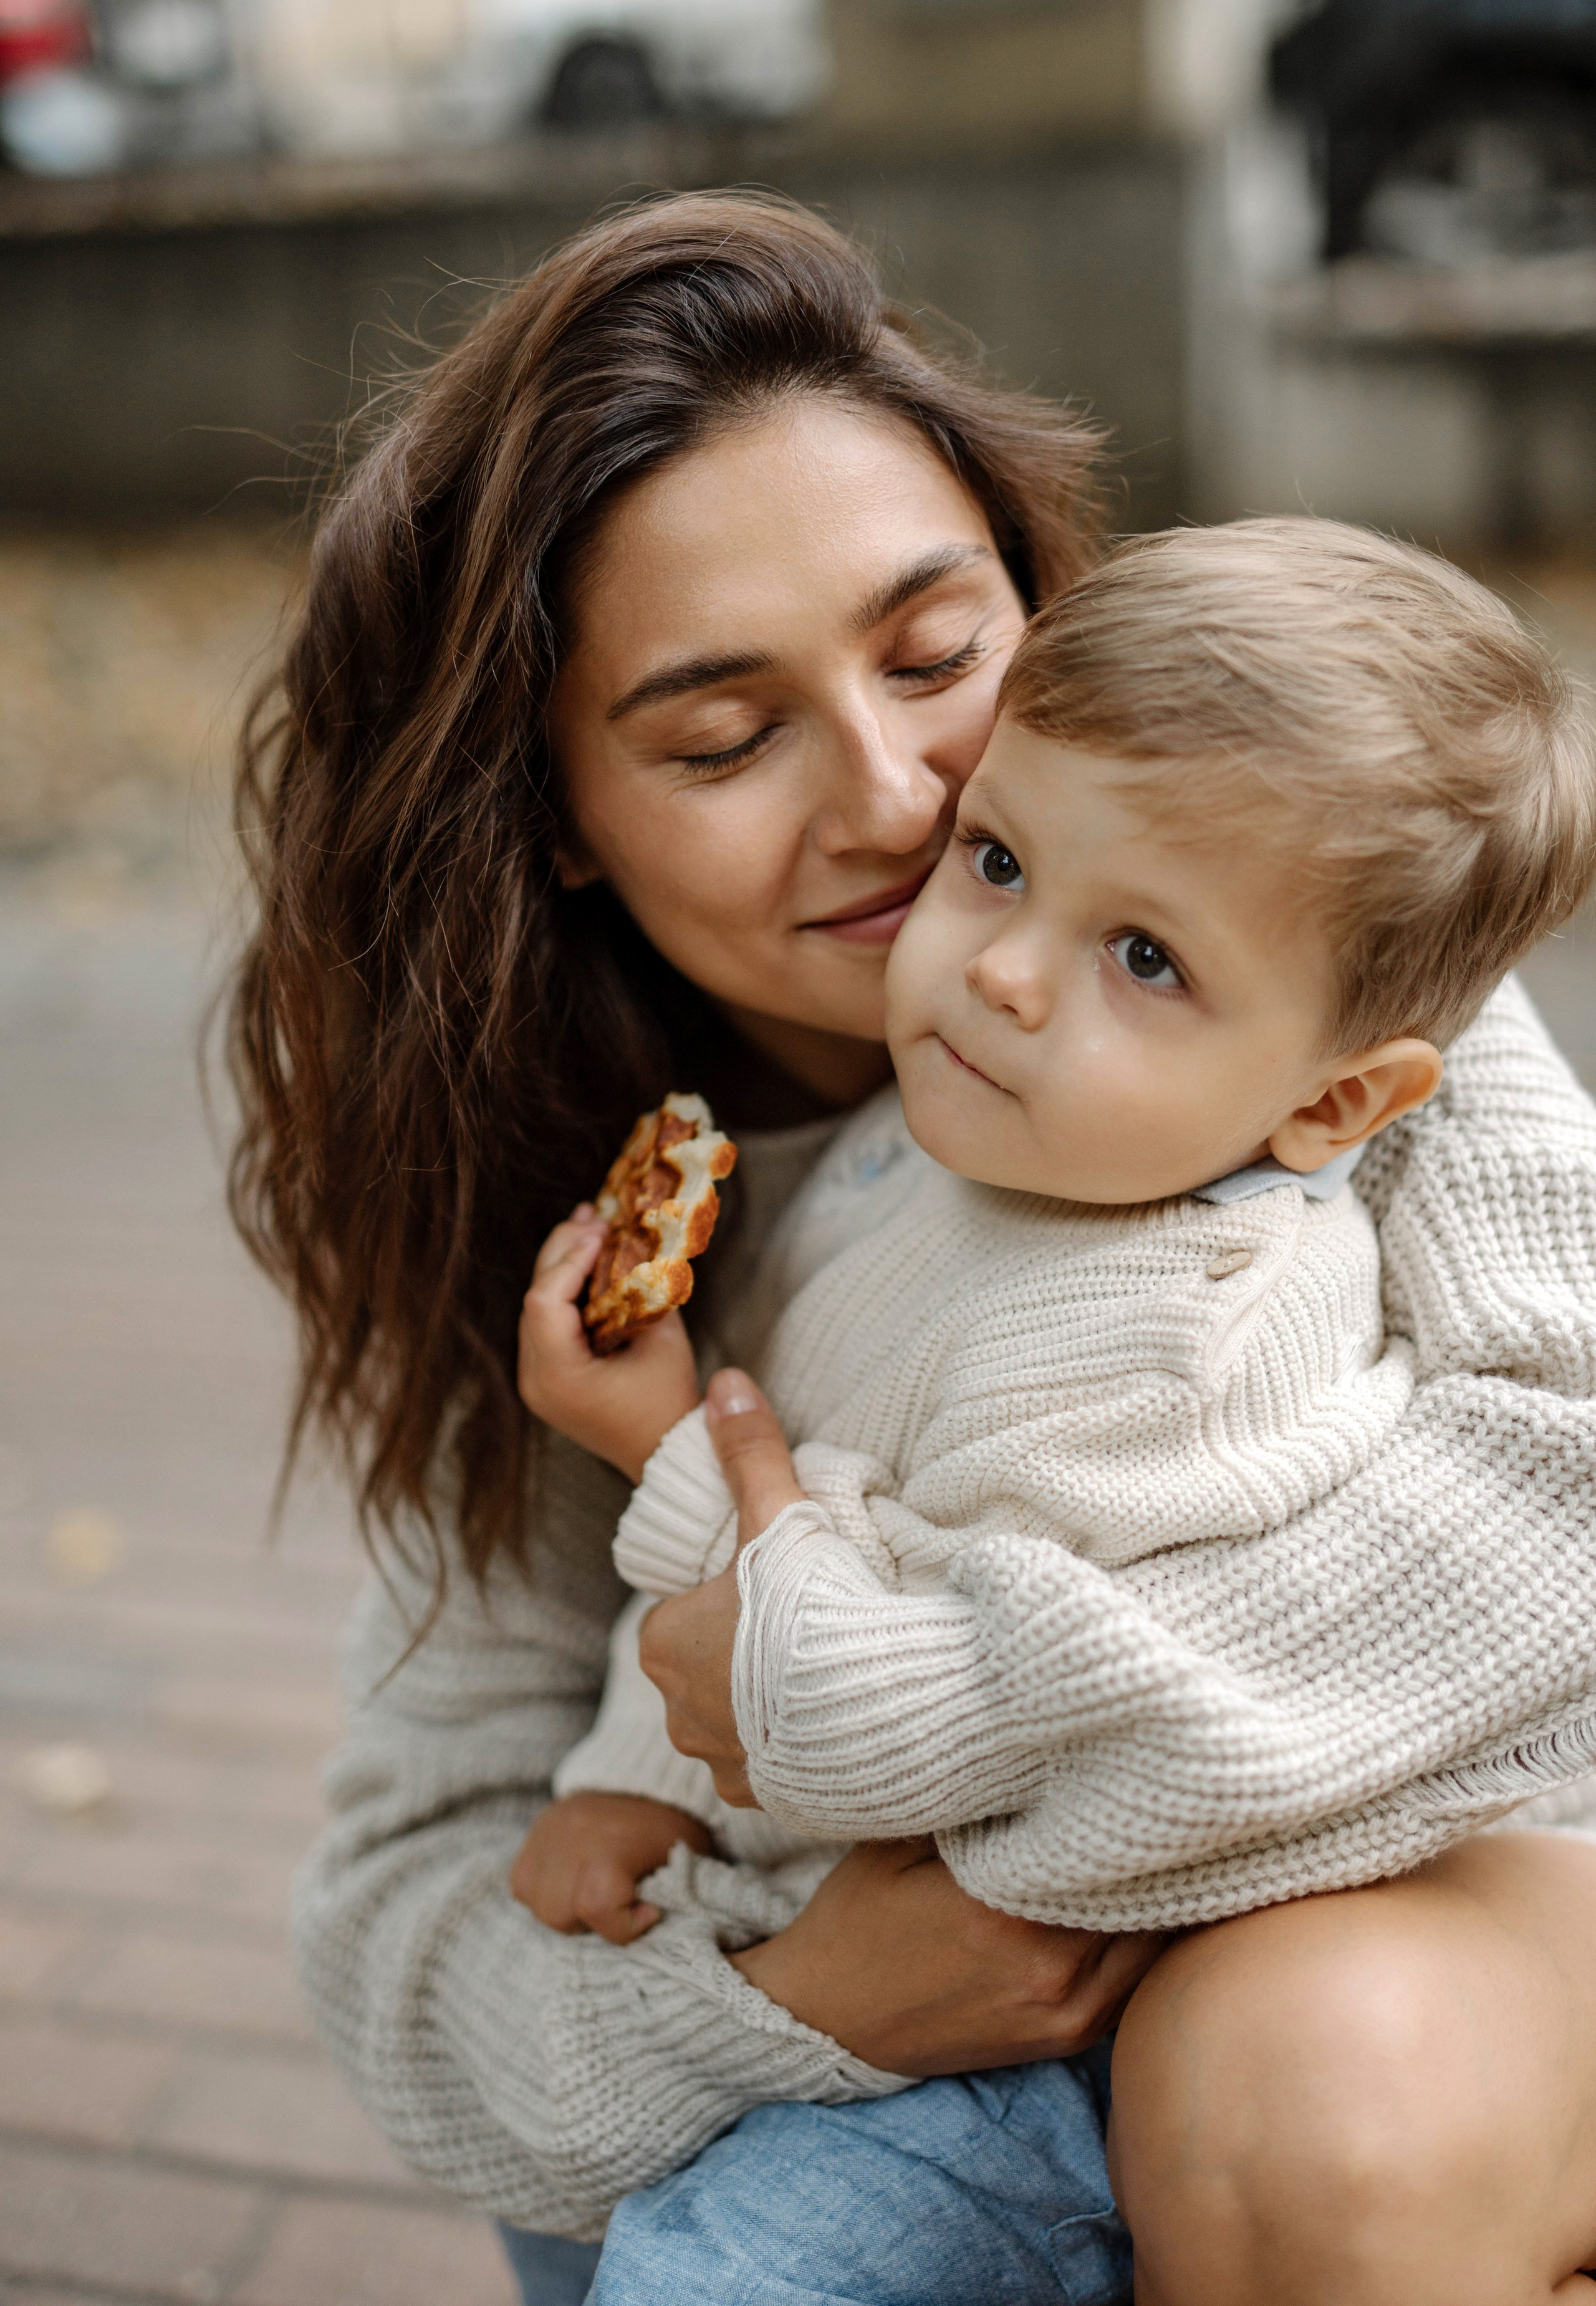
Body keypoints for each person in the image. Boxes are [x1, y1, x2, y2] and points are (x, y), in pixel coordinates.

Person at [226, 191, 1596, 2305]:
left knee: (1301, 2091)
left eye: (940, 651)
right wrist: (819, 1989)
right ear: (561, 815)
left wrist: (1006, 1824)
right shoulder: (585, 1229)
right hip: (883, 2041)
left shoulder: (1287, 959)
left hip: (1414, 1915)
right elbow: (411, 1922)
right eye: (721, 736)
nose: (889, 792)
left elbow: (1564, 1479)